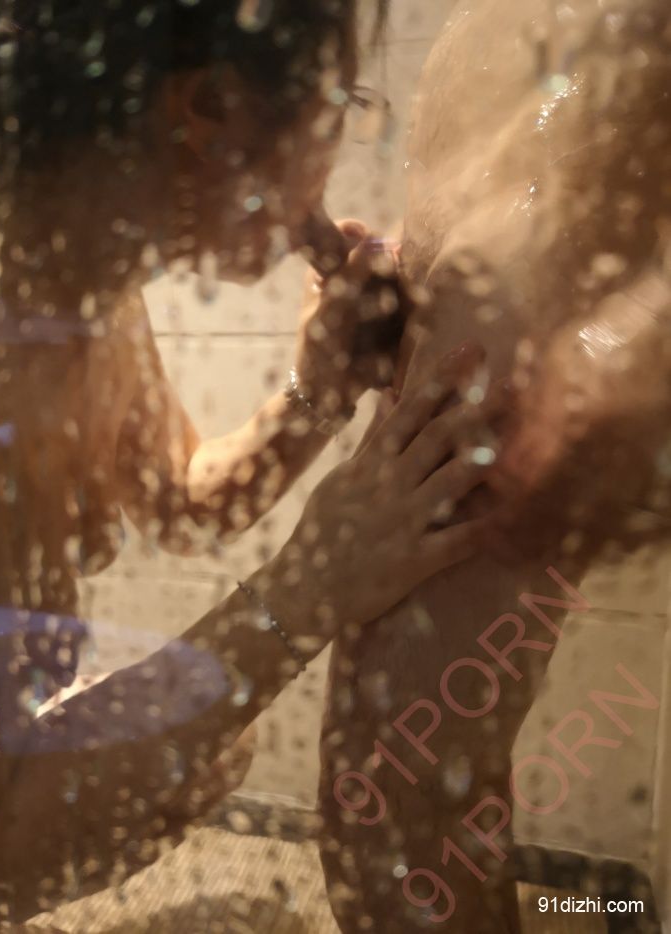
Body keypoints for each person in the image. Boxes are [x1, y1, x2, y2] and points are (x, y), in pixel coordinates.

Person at [0, 0, 508, 927]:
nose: (340, 149)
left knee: (212, 741)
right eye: (342, 104)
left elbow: (181, 500)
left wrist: (317, 390)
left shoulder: (78, 276)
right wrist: (312, 587)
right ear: (214, 103)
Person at [319, 0, 671, 931]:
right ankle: (560, 908)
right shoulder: (493, 40)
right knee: (426, 790)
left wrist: (619, 341)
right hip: (484, 339)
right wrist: (397, 288)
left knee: (391, 808)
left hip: (517, 341)